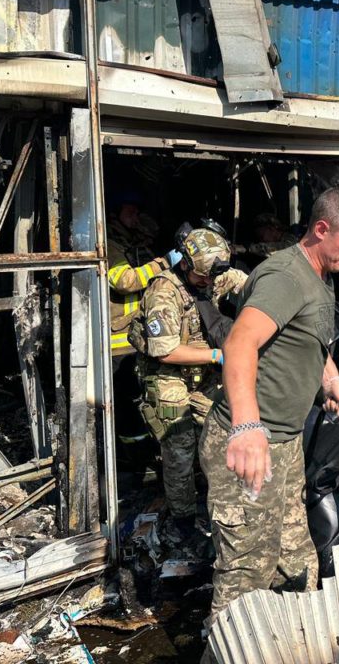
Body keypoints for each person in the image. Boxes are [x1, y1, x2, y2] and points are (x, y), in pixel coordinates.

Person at [199, 188, 339, 624]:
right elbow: (240, 342)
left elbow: (308, 338)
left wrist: (328, 375)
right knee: (247, 574)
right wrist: (246, 427)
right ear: (320, 229)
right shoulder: (286, 277)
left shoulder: (317, 276)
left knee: (297, 560)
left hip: (285, 444)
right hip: (251, 444)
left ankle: (294, 642)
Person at [130, 223, 248, 532]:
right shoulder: (164, 291)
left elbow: (248, 285)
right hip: (169, 375)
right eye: (202, 277)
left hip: (204, 376)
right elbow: (164, 351)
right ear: (185, 264)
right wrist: (217, 356)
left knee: (225, 432)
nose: (208, 283)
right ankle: (182, 519)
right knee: (180, 449)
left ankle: (225, 507)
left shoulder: (213, 275)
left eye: (212, 278)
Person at [107, 196, 178, 463]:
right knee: (127, 404)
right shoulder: (110, 246)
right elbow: (125, 281)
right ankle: (133, 461)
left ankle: (146, 455)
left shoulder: (133, 243)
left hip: (138, 338)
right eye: (131, 209)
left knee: (144, 401)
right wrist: (162, 263)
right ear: (115, 213)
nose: (136, 215)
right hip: (118, 342)